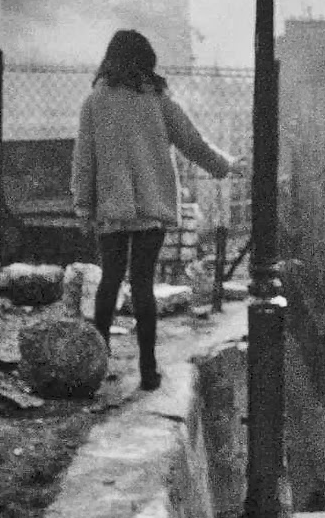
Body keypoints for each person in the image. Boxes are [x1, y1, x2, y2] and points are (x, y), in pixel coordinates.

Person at [71, 29, 237, 391]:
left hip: (112, 208)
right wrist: (223, 165)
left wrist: (83, 207)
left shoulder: (94, 102)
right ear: (145, 62)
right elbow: (192, 142)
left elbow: (83, 160)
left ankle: (98, 365)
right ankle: (148, 371)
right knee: (143, 284)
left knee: (110, 281)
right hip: (151, 208)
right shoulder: (158, 100)